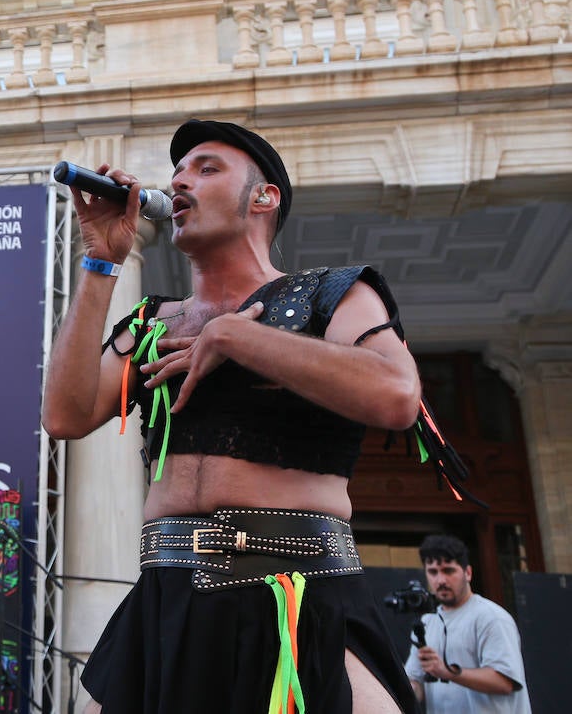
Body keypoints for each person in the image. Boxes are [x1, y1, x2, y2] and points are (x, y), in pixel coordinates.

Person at [43, 119, 423, 714]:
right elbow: (65, 416)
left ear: (263, 197)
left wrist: (236, 337)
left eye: (206, 168)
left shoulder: (333, 294)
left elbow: (397, 395)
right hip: (167, 598)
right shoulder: (152, 322)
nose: (181, 181)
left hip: (295, 596)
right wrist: (99, 262)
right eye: (177, 173)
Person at [405, 535, 531, 713]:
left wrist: (447, 671)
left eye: (448, 571)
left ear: (468, 573)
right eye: (433, 572)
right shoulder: (427, 622)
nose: (440, 580)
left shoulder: (492, 617)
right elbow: (415, 683)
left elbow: (505, 682)